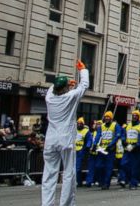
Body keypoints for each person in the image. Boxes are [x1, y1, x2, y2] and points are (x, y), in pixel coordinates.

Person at [41, 60, 88, 206]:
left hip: (51, 139)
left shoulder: (49, 97)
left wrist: (66, 84)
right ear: (66, 89)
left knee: (49, 174)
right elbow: (84, 85)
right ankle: (66, 204)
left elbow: (53, 87)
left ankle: (47, 204)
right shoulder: (70, 97)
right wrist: (83, 70)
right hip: (65, 139)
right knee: (68, 173)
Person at [89, 111, 120, 190]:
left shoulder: (115, 125)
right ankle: (101, 181)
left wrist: (111, 145)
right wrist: (94, 145)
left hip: (110, 150)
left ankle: (106, 183)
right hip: (102, 149)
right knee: (98, 166)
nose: (106, 118)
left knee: (108, 167)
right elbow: (98, 136)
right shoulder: (101, 126)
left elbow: (117, 136)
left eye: (108, 117)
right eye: (105, 117)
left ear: (111, 118)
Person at [120, 111, 140, 189]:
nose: (134, 117)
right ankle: (128, 178)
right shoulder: (128, 125)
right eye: (133, 115)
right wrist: (125, 142)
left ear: (138, 117)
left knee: (135, 167)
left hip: (136, 150)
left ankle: (133, 183)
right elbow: (124, 135)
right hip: (128, 148)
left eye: (136, 115)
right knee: (123, 164)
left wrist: (135, 146)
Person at [74, 118, 90, 186]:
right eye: (78, 123)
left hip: (81, 150)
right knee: (73, 168)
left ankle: (78, 182)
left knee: (77, 168)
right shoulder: (74, 130)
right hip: (73, 150)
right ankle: (77, 181)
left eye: (81, 123)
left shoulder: (86, 131)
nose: (79, 125)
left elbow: (89, 139)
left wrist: (87, 146)